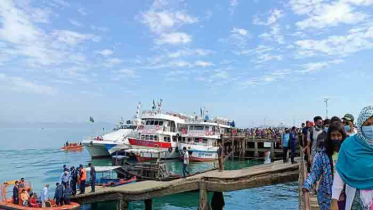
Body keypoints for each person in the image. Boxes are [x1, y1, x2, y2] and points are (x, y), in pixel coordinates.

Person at [331, 106, 373, 210]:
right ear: (360, 125)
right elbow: (340, 172)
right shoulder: (348, 145)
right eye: (367, 124)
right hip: (355, 199)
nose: (371, 128)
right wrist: (334, 200)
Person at [302, 121, 346, 210]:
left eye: (338, 135)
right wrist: (307, 185)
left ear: (343, 136)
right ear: (329, 137)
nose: (336, 138)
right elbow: (315, 172)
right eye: (333, 135)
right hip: (327, 198)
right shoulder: (322, 154)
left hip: (346, 196)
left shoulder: (348, 153)